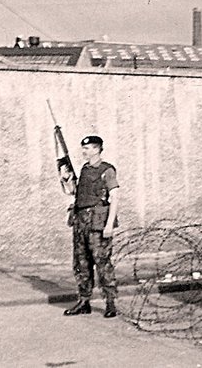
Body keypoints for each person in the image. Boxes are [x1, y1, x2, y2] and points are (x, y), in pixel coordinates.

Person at [59, 135, 120, 318]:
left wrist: (109, 224)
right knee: (81, 263)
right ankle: (84, 301)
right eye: (83, 148)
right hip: (81, 222)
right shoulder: (85, 169)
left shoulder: (106, 170)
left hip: (98, 223)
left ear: (96, 149)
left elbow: (115, 197)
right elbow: (76, 193)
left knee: (102, 263)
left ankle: (110, 303)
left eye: (87, 149)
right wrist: (67, 179)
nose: (84, 151)